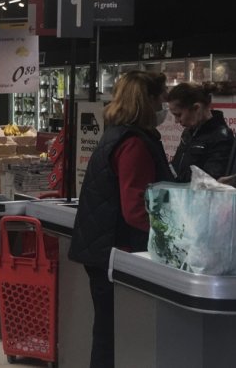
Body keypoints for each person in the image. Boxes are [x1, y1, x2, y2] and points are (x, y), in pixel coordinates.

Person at [69, 71, 173, 368]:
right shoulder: (135, 144)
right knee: (113, 335)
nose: (164, 104)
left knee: (107, 331)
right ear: (148, 100)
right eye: (162, 96)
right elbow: (135, 209)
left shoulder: (116, 134)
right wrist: (171, 237)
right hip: (120, 252)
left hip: (103, 248)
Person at [167, 82, 234, 182]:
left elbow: (209, 180)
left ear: (196, 108)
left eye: (179, 115)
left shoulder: (221, 138)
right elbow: (177, 167)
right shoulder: (188, 132)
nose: (177, 121)